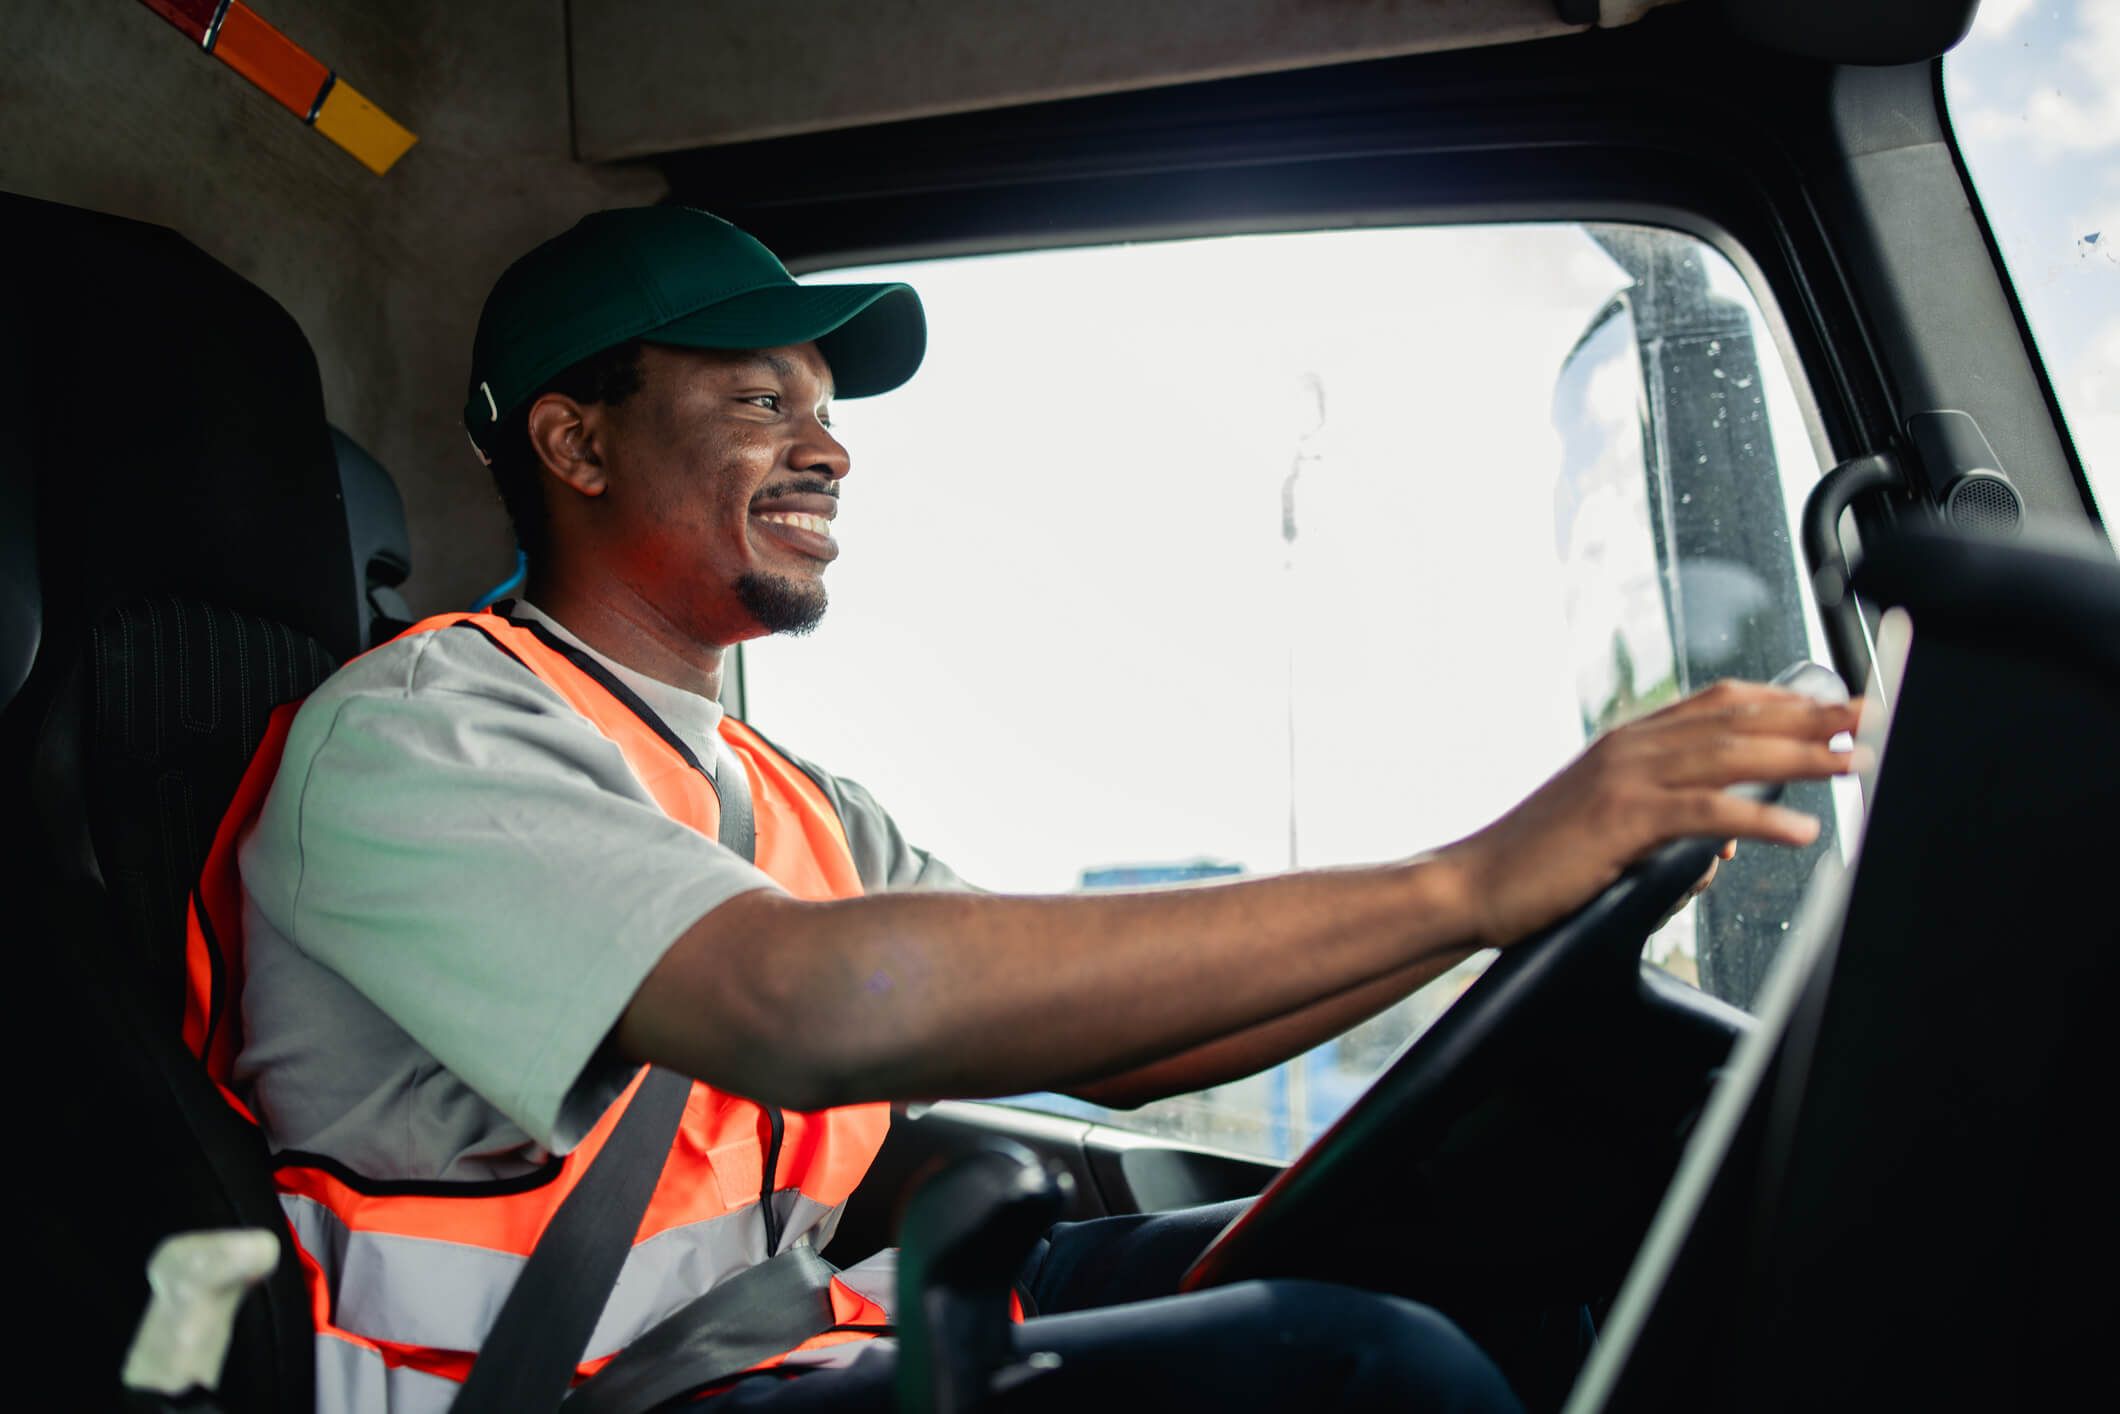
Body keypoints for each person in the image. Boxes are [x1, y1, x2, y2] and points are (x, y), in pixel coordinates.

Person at [211, 207, 1859, 1414]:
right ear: (574, 440)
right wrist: (1470, 880)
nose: (830, 449)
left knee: (1499, 1235)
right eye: (760, 401)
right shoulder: (417, 733)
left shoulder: (794, 796)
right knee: (1363, 1374)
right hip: (566, 1397)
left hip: (778, 1331)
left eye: (826, 407)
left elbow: (1116, 1045)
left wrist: (1515, 903)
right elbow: (800, 1006)